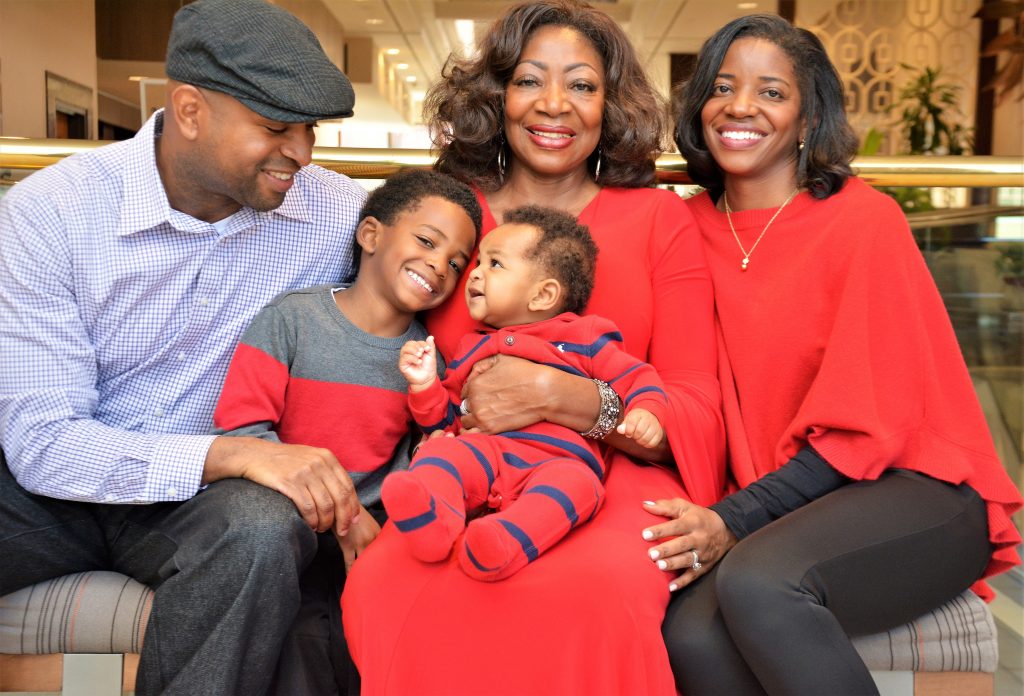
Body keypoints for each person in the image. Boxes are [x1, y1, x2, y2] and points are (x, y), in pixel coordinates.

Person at [341, 2, 725, 693]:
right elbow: (361, 329)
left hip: (610, 482)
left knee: (591, 598)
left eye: (581, 85)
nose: (554, 105)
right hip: (467, 470)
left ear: (610, 105)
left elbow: (694, 405)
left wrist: (577, 401)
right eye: (529, 81)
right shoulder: (447, 212)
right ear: (496, 95)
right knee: (384, 583)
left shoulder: (660, 220)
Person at [0, 0, 372, 693]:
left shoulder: (340, 218)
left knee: (264, 530)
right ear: (191, 110)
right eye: (274, 127)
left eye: (309, 129)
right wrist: (238, 452)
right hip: (49, 488)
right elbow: (42, 440)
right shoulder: (50, 212)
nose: (301, 152)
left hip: (203, 505)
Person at [653, 14, 1023, 695]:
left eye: (771, 92)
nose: (740, 107)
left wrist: (731, 520)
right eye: (724, 87)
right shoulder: (683, 228)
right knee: (688, 632)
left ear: (806, 117)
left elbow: (864, 432)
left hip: (913, 491)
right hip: (790, 507)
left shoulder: (862, 219)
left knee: (763, 583)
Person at [214, 168, 481, 571]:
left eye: (456, 263)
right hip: (281, 523)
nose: (439, 266)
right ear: (371, 235)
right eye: (426, 241)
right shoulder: (292, 319)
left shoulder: (427, 361)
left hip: (374, 540)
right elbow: (241, 433)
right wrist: (345, 516)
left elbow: (426, 454)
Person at [386, 205, 667, 581]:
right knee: (443, 452)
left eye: (494, 265)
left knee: (580, 489)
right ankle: (433, 521)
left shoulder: (582, 336)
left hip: (558, 461)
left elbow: (636, 376)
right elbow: (450, 418)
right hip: (485, 451)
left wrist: (647, 410)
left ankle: (505, 542)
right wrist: (424, 386)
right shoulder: (473, 347)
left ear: (543, 295)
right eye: (477, 263)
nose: (475, 274)